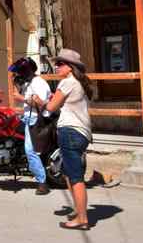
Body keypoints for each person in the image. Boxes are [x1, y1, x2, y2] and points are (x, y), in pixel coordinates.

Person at [43, 49, 92, 231]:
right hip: (80, 132)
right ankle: (79, 210)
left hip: (70, 131)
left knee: (75, 176)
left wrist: (38, 101)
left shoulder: (66, 83)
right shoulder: (78, 83)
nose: (56, 67)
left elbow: (50, 106)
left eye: (60, 64)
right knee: (66, 172)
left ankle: (82, 218)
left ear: (70, 68)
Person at [9, 57, 52, 195]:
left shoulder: (38, 83)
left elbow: (40, 103)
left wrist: (21, 98)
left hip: (36, 121)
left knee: (30, 151)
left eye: (19, 73)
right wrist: (15, 84)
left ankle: (42, 183)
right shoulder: (30, 83)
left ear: (25, 71)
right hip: (28, 119)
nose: (17, 76)